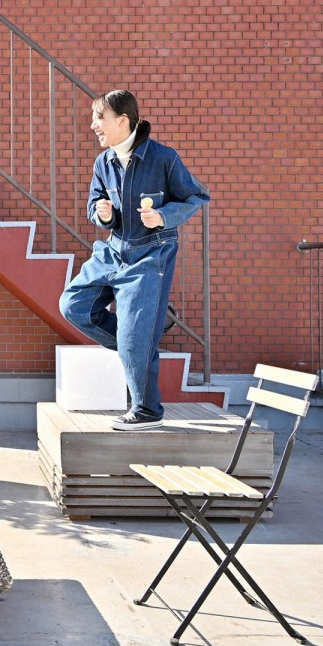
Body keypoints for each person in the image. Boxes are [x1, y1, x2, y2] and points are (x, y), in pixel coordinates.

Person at [58, 90, 209, 431]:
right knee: (74, 306)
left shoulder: (164, 158)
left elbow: (196, 196)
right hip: (113, 249)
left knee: (134, 338)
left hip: (151, 253)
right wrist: (102, 213)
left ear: (122, 120)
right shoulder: (103, 162)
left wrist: (164, 216)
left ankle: (147, 410)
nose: (94, 124)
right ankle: (141, 336)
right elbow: (95, 201)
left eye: (100, 118)